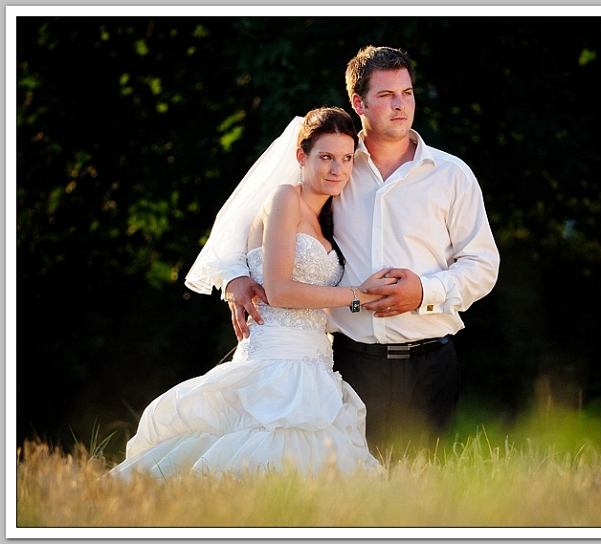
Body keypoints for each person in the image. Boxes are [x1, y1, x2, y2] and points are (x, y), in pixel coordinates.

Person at [226, 46, 501, 455]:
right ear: (359, 103)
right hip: (352, 363)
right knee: (355, 495)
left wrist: (425, 291)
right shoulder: (334, 163)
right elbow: (248, 218)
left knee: (423, 493)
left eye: (406, 93)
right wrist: (235, 276)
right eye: (387, 95)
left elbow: (483, 265)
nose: (400, 104)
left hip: (432, 361)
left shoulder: (452, 175)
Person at [109, 107, 391, 479]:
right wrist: (359, 295)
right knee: (257, 462)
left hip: (317, 364)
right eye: (325, 157)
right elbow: (278, 290)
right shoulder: (285, 198)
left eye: (345, 159)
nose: (337, 169)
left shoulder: (328, 220)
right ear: (300, 157)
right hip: (275, 361)